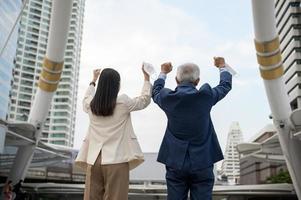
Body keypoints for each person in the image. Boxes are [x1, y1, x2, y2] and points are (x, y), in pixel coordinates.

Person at [152, 57, 232, 200]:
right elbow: (225, 85)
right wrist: (222, 66)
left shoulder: (167, 98)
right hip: (203, 161)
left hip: (175, 161)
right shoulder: (205, 95)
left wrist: (163, 72)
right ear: (197, 81)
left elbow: (155, 91)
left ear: (177, 80)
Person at [75, 66, 152, 200]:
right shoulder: (123, 102)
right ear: (117, 85)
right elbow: (144, 100)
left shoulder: (90, 105)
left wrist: (93, 80)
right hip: (116, 159)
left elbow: (86, 97)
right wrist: (146, 78)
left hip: (93, 160)